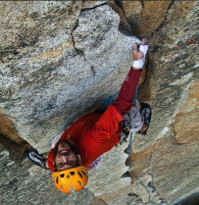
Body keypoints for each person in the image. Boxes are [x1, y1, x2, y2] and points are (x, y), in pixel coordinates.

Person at [27, 38, 151, 194]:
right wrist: (137, 64)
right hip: (112, 131)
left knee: (55, 144)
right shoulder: (96, 137)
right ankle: (143, 127)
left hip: (86, 137)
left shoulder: (54, 162)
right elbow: (122, 104)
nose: (64, 157)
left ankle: (42, 163)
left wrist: (48, 163)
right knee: (130, 115)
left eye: (60, 164)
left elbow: (57, 163)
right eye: (70, 161)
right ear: (79, 160)